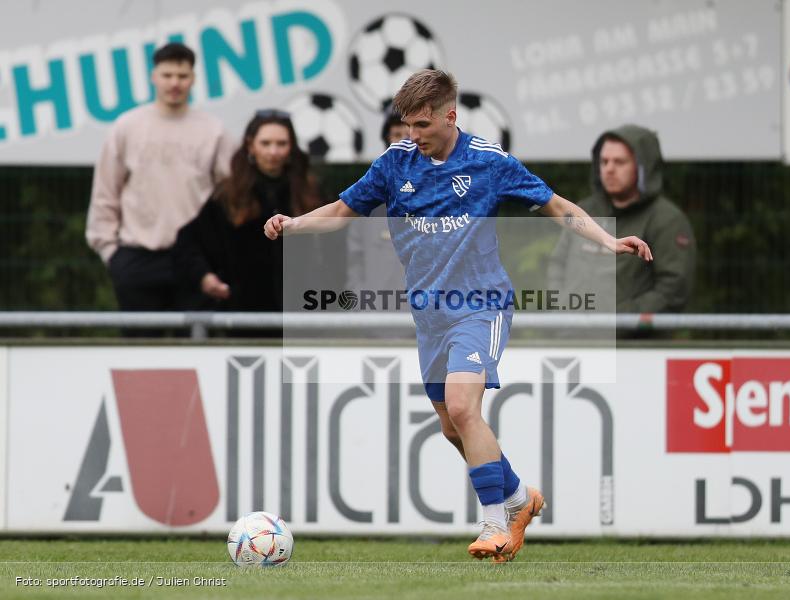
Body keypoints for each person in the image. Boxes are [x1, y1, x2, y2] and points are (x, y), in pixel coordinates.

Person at [264, 70, 652, 562]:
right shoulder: (394, 164)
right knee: (453, 427)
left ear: (450, 115)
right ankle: (517, 497)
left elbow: (557, 206)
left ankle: (494, 522)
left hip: (481, 304)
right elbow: (342, 210)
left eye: (422, 125)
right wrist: (294, 224)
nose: (413, 135)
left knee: (466, 409)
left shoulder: (488, 162)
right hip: (429, 314)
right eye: (406, 125)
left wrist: (607, 241)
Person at [85, 42, 234, 323]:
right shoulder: (127, 127)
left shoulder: (214, 131)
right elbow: (106, 193)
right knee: (140, 355)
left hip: (196, 261)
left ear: (193, 78)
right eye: (167, 75)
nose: (174, 83)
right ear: (154, 76)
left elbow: (231, 196)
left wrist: (219, 253)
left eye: (182, 76)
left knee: (195, 353)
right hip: (136, 256)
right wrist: (110, 252)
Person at [173, 110, 323, 320]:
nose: (273, 151)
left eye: (281, 144)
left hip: (303, 312)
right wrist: (205, 277)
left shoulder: (310, 193)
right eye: (265, 143)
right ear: (251, 146)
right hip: (243, 314)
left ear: (291, 148)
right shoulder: (229, 195)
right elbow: (188, 241)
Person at [548, 125, 695, 317]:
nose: (609, 169)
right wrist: (561, 309)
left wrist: (620, 320)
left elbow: (673, 289)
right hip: (572, 337)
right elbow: (558, 263)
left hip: (632, 344)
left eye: (619, 162)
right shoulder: (584, 210)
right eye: (604, 161)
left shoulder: (667, 220)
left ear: (643, 167)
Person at [344, 111, 408, 324]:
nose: (405, 142)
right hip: (375, 324)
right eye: (397, 134)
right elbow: (354, 261)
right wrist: (360, 311)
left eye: (411, 135)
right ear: (387, 141)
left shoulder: (443, 193)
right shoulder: (369, 197)